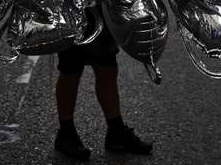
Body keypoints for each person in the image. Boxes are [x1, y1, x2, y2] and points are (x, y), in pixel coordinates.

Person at [54, 18, 152, 160]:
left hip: (100, 4)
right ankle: (66, 133)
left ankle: (116, 131)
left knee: (107, 67)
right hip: (71, 5)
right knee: (70, 68)